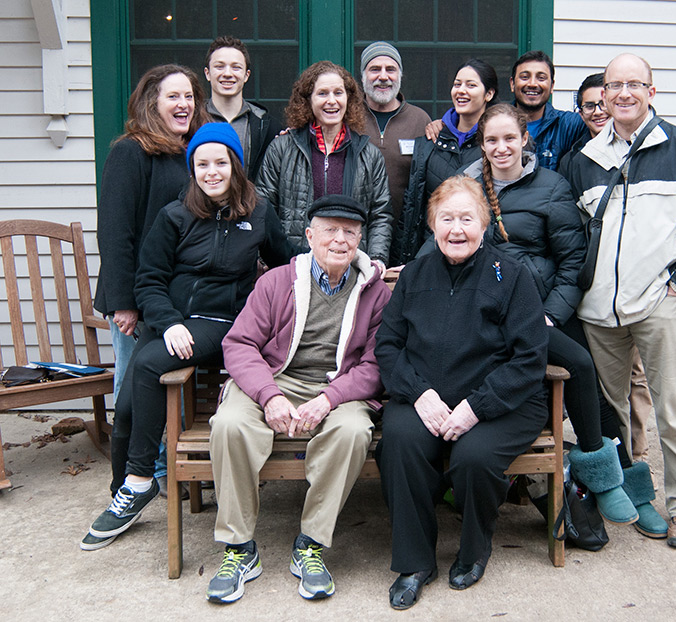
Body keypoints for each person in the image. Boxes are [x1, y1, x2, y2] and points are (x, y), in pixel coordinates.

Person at [82, 124, 297, 551]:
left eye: (220, 162)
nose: (211, 172)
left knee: (144, 365)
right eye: (202, 163)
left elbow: (288, 262)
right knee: (125, 405)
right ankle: (123, 491)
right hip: (173, 323)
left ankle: (141, 480)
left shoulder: (258, 213)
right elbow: (149, 280)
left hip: (221, 325)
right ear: (192, 167)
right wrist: (168, 321)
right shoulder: (175, 214)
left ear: (235, 166)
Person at [564, 53, 676, 549]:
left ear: (651, 92)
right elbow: (573, 235)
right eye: (614, 86)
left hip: (659, 303)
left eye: (634, 84)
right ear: (602, 97)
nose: (623, 94)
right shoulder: (586, 159)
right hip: (598, 313)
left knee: (673, 410)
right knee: (612, 415)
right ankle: (633, 493)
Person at [460, 103, 644, 527]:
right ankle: (531, 477)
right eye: (492, 140)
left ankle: (610, 479)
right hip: (488, 314)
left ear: (525, 139)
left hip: (541, 310)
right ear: (481, 143)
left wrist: (549, 315)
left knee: (584, 370)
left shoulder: (550, 186)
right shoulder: (466, 186)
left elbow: (572, 263)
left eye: (510, 138)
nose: (501, 147)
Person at [204, 195, 391, 604]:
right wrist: (269, 396)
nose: (340, 240)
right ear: (309, 236)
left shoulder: (377, 295)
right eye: (330, 230)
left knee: (354, 429)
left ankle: (311, 543)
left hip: (337, 388)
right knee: (230, 424)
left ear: (361, 239)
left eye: (350, 232)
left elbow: (377, 365)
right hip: (272, 379)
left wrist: (329, 399)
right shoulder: (275, 282)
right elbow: (239, 345)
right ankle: (239, 548)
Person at [375, 176, 548, 610]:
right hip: (425, 399)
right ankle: (416, 563)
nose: (456, 229)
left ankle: (473, 550)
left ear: (485, 223)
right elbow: (388, 346)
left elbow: (529, 358)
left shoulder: (511, 275)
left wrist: (477, 406)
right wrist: (418, 394)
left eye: (466, 219)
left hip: (503, 402)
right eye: (447, 218)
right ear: (432, 224)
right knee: (400, 442)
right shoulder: (415, 275)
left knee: (474, 458)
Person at [92, 64, 210, 501]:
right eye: (172, 97)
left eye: (189, 97)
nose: (183, 105)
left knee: (169, 378)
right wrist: (124, 302)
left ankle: (165, 467)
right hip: (134, 299)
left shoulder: (192, 152)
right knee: (132, 386)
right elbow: (115, 231)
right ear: (151, 103)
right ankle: (136, 476)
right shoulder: (131, 151)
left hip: (171, 295)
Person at [559, 73, 656, 470]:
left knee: (635, 377)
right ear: (579, 111)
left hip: (640, 287)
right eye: (589, 105)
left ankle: (636, 453)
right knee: (607, 380)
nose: (598, 110)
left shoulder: (653, 148)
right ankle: (621, 459)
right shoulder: (576, 160)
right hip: (593, 286)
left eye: (604, 102)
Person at [255, 61, 393, 271]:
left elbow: (380, 213)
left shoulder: (369, 154)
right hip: (293, 266)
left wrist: (376, 259)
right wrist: (268, 260)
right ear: (308, 100)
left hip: (351, 267)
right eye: (322, 93)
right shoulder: (282, 148)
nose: (331, 101)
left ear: (348, 99)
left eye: (338, 93)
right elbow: (264, 208)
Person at [392, 59, 498, 265]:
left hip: (479, 259)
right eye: (457, 84)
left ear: (489, 94)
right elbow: (413, 206)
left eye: (471, 85)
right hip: (431, 259)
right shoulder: (430, 142)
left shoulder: (496, 146)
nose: (461, 90)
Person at [360, 41, 432, 220]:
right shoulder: (347, 117)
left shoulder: (420, 120)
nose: (383, 76)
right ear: (363, 76)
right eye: (375, 69)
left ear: (400, 75)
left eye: (390, 69)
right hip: (355, 231)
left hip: (406, 233)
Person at [204, 36, 282, 181]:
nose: (227, 74)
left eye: (236, 67)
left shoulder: (267, 126)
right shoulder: (191, 121)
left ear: (246, 75)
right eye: (219, 66)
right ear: (207, 73)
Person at [509, 50, 588, 171]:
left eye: (541, 78)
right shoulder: (496, 124)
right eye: (525, 77)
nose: (532, 84)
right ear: (512, 84)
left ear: (552, 86)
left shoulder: (570, 125)